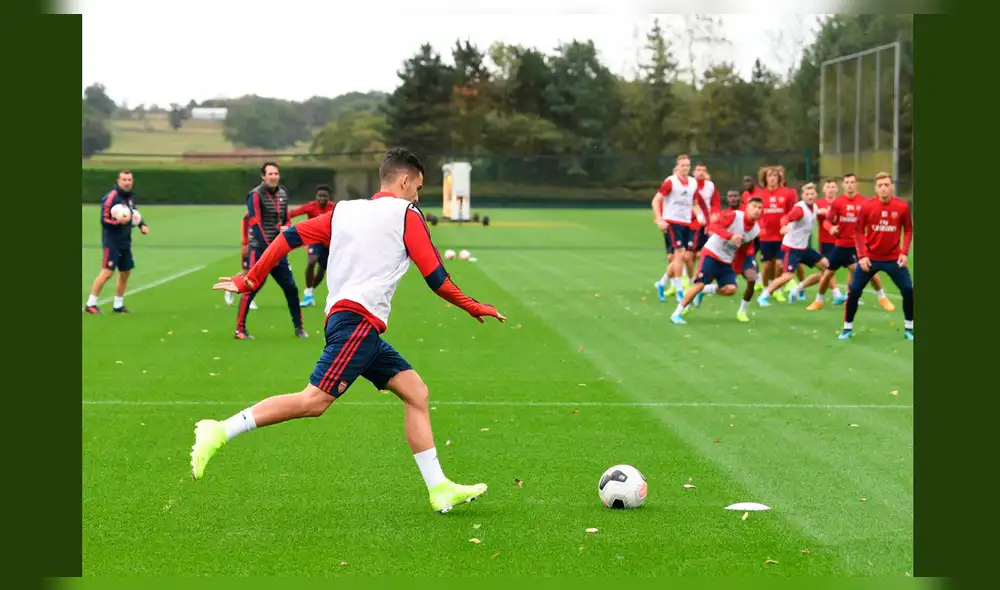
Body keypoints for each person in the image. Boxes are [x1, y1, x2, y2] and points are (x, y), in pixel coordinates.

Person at [192, 148, 506, 514]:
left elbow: (287, 237)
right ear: (404, 181)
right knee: (313, 402)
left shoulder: (343, 211)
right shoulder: (408, 214)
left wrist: (251, 278)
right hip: (357, 323)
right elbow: (436, 277)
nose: (418, 196)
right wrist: (474, 306)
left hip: (352, 324)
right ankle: (219, 430)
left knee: (416, 392)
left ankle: (439, 488)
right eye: (417, 187)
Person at [235, 162, 306, 340]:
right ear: (263, 176)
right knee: (251, 287)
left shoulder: (282, 194)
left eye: (276, 173)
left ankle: (299, 328)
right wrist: (269, 250)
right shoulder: (255, 195)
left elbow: (287, 219)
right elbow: (256, 223)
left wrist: (287, 228)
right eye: (270, 174)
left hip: (278, 250)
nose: (274, 176)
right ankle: (240, 330)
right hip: (259, 250)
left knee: (291, 288)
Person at [839, 172, 913, 340]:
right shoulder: (868, 206)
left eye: (887, 185)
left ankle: (910, 328)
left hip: (894, 258)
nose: (884, 188)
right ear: (876, 189)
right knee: (855, 290)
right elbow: (858, 231)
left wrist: (904, 252)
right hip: (870, 258)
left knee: (908, 290)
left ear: (892, 187)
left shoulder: (902, 207)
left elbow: (908, 229)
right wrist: (862, 256)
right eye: (880, 186)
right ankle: (847, 328)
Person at [670, 197, 763, 325]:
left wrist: (736, 269)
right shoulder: (734, 215)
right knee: (699, 284)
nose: (757, 210)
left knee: (731, 289)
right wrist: (731, 236)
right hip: (712, 253)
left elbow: (743, 250)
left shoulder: (755, 230)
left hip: (727, 260)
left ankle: (704, 291)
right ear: (746, 207)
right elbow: (713, 226)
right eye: (754, 206)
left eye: (760, 208)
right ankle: (676, 313)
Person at [815, 173, 896, 312]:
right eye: (847, 182)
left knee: (870, 272)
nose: (850, 185)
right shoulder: (838, 202)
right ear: (843, 185)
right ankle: (818, 300)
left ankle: (882, 298)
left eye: (852, 182)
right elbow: (827, 222)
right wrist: (831, 228)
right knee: (828, 274)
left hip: (859, 245)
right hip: (841, 245)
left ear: (856, 184)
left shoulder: (865, 202)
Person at [84, 170, 149, 314]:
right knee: (107, 272)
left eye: (129, 180)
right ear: (118, 181)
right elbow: (104, 219)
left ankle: (118, 305)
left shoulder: (130, 197)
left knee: (125, 271)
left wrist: (142, 225)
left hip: (125, 240)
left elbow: (134, 212)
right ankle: (90, 304)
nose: (127, 182)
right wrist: (118, 222)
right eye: (124, 179)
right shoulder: (111, 197)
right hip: (112, 241)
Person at [756, 183, 830, 306]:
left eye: (812, 194)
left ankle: (798, 288)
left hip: (804, 248)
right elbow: (786, 217)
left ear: (816, 195)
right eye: (807, 194)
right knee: (788, 276)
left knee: (827, 268)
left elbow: (816, 212)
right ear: (803, 196)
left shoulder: (814, 207)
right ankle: (764, 296)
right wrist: (784, 226)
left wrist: (826, 212)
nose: (810, 196)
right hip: (791, 248)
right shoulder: (799, 209)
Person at [652, 155, 698, 303]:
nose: (685, 168)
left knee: (682, 256)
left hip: (686, 223)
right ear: (677, 167)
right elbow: (656, 200)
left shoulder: (692, 182)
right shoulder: (670, 181)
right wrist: (659, 219)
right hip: (672, 221)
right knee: (679, 254)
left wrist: (700, 216)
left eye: (687, 165)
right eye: (682, 165)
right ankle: (679, 290)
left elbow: (695, 203)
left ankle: (662, 283)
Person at [753, 166, 796, 301]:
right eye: (769, 176)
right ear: (765, 178)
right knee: (766, 265)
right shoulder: (759, 195)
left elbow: (792, 212)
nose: (772, 178)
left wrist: (788, 226)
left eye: (775, 176)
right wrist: (760, 226)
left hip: (782, 236)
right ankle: (766, 288)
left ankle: (776, 289)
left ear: (779, 178)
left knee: (779, 265)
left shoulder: (787, 193)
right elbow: (755, 213)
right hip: (765, 236)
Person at [289, 184, 335, 308]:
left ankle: (310, 292)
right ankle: (309, 294)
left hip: (328, 241)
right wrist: (284, 220)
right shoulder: (311, 206)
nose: (322, 198)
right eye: (320, 196)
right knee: (312, 261)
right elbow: (292, 213)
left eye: (325, 196)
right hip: (313, 239)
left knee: (322, 269)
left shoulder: (334, 207)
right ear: (316, 196)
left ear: (329, 197)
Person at [804, 179, 845, 309]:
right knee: (828, 270)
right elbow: (811, 213)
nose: (831, 189)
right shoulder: (818, 204)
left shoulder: (841, 203)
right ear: (823, 190)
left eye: (833, 186)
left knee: (853, 268)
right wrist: (820, 212)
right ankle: (837, 294)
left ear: (837, 189)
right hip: (826, 242)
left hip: (843, 242)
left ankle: (850, 295)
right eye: (828, 187)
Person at [689, 163, 722, 278]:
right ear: (694, 172)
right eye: (698, 170)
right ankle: (686, 278)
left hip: (707, 223)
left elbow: (716, 203)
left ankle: (700, 276)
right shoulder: (689, 184)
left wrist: (714, 215)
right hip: (692, 223)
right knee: (689, 253)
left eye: (703, 170)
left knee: (705, 252)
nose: (701, 172)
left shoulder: (710, 186)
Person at [223, 212, 258, 310]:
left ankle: (233, 287)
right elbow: (245, 226)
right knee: (248, 272)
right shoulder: (250, 213)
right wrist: (245, 243)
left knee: (255, 272)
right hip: (250, 246)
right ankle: (248, 299)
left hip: (260, 245)